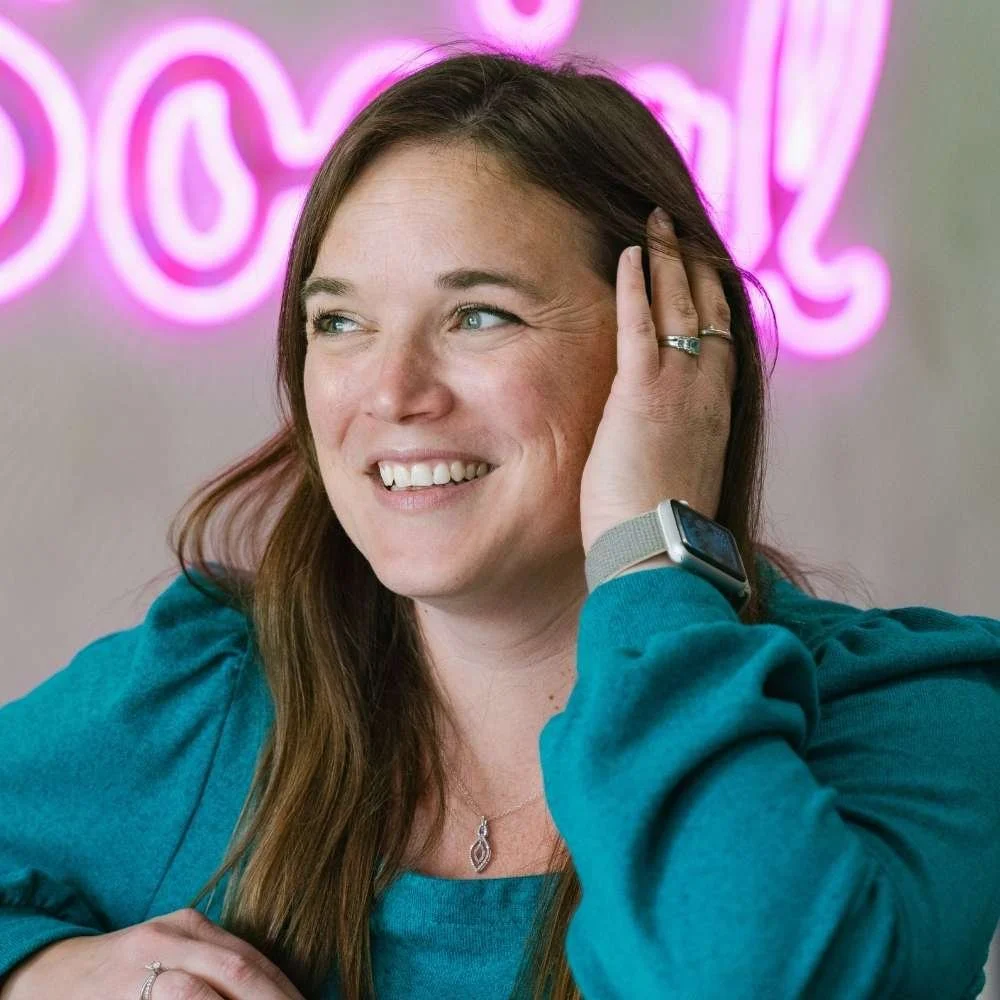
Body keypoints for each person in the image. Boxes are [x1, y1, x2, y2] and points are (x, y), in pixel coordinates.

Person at [1, 44, 999, 1000]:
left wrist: (651, 554)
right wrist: (42, 973)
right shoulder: (206, 699)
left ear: (673, 346)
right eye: (339, 322)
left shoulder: (907, 717)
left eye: (479, 315)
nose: (390, 393)